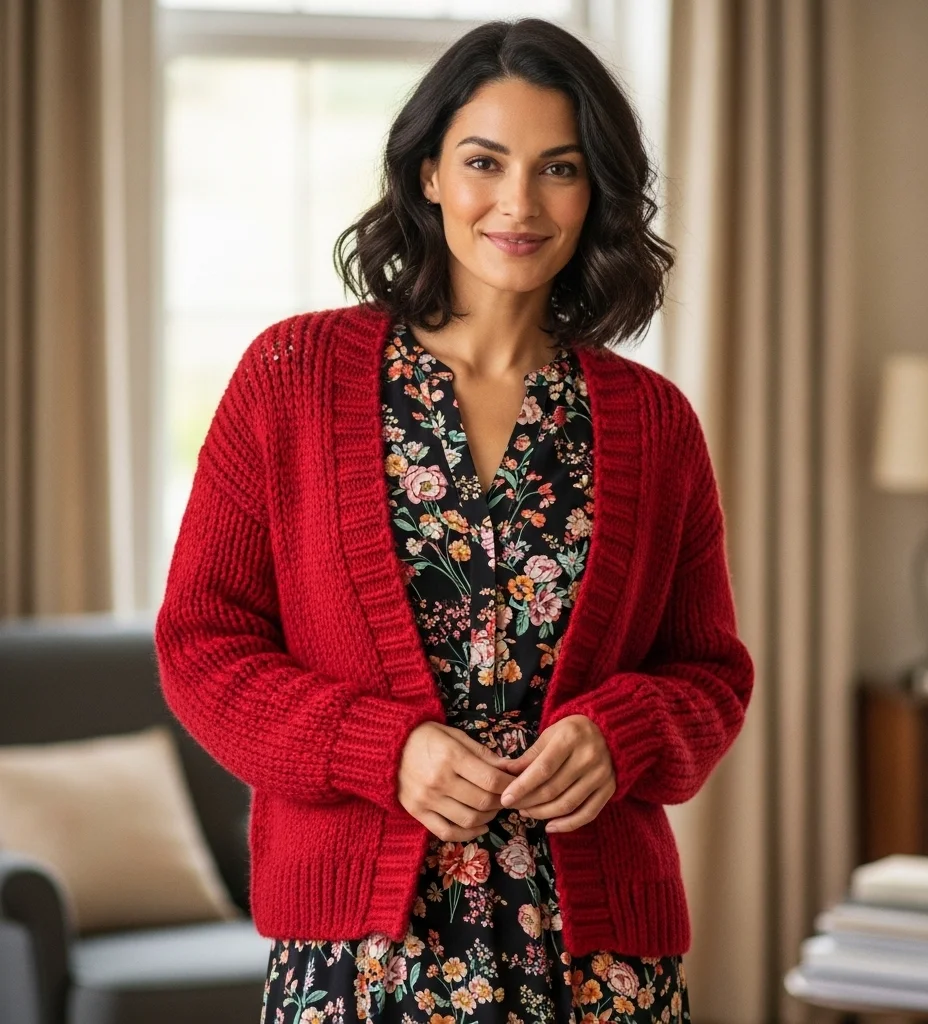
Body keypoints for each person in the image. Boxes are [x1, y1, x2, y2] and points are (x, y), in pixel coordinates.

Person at [155, 16, 755, 1024]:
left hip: (596, 965)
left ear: (595, 189)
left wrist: (625, 733)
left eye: (558, 168)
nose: (518, 203)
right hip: (363, 958)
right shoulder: (290, 380)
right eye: (485, 161)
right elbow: (200, 646)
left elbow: (710, 672)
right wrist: (381, 750)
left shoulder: (655, 425)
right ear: (428, 172)